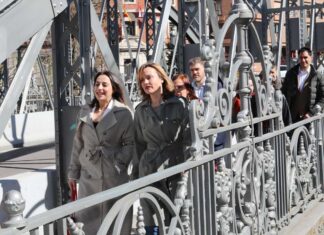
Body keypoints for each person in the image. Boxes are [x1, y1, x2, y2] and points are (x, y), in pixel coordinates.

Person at [67, 71, 134, 234]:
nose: (100, 88)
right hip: (88, 176)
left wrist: (118, 164)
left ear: (114, 88)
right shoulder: (85, 111)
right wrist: (73, 173)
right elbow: (78, 143)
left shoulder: (123, 113)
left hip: (113, 176)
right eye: (97, 84)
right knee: (88, 222)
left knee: (115, 221)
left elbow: (130, 144)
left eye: (105, 84)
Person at [134, 62, 189, 228]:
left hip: (174, 167)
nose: (145, 82)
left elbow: (188, 138)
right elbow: (139, 143)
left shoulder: (179, 105)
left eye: (149, 77)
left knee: (176, 216)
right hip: (149, 169)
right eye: (142, 80)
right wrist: (137, 175)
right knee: (150, 217)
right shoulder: (140, 111)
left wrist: (186, 168)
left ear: (162, 79)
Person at [188, 57, 224, 150]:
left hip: (214, 132)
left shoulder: (215, 86)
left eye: (197, 69)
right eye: (192, 70)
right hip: (196, 133)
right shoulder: (189, 88)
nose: (194, 72)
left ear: (204, 69)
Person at [282, 47, 324, 123]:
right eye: (301, 58)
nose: (303, 60)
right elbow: (283, 93)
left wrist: (311, 113)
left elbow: (323, 98)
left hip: (309, 119)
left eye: (305, 57)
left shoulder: (317, 76)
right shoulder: (291, 74)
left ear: (311, 58)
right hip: (292, 118)